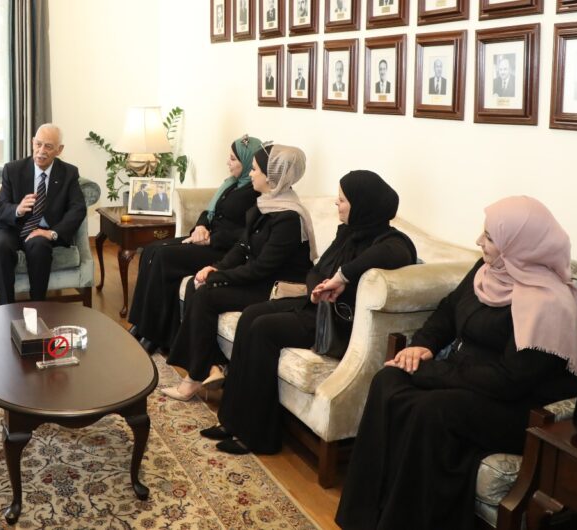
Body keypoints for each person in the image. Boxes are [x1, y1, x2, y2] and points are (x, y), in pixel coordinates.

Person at [335, 196, 577, 530]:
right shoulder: (489, 270)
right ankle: (363, 516)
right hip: (467, 380)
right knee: (388, 379)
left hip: (515, 406)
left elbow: (509, 380)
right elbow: (449, 309)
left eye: (490, 237)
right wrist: (422, 345)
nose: (479, 241)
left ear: (518, 244)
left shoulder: (548, 303)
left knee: (429, 410)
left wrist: (433, 372)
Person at [200, 171, 417, 455]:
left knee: (264, 330)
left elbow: (390, 256)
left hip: (336, 323)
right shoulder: (348, 232)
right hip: (315, 306)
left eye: (342, 200)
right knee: (251, 315)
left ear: (363, 205)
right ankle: (232, 421)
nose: (336, 204)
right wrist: (318, 289)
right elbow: (315, 270)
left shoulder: (393, 242)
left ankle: (257, 436)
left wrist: (341, 277)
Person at [162, 144, 317, 401]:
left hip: (276, 288)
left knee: (206, 294)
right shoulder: (265, 205)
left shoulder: (289, 218)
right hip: (259, 279)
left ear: (271, 177)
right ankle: (210, 366)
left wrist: (217, 277)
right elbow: (242, 247)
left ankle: (195, 378)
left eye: (255, 170)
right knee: (197, 286)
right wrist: (216, 267)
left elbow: (262, 268)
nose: (251, 174)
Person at [128, 135, 264, 353]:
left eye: (233, 159)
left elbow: (247, 235)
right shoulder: (232, 184)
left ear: (247, 161)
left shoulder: (257, 193)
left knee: (163, 258)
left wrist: (211, 239)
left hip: (223, 250)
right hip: (207, 239)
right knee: (151, 249)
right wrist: (201, 226)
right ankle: (140, 323)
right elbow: (210, 212)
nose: (227, 163)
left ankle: (155, 335)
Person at [0, 124, 86, 304]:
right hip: (12, 227)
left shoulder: (69, 173)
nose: (41, 151)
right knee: (0, 244)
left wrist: (52, 233)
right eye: (38, 144)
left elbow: (78, 209)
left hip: (41, 231)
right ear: (32, 143)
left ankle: (38, 306)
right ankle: (5, 307)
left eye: (48, 146)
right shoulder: (13, 170)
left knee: (40, 246)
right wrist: (18, 209)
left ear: (59, 150)